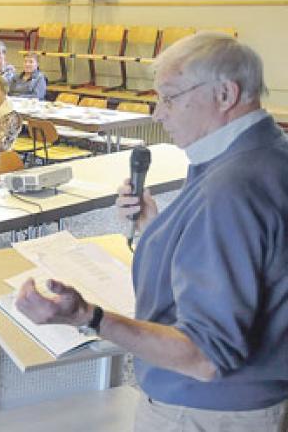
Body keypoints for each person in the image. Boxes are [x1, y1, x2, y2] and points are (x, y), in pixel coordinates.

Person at [15, 32, 288, 430]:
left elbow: (204, 356)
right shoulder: (265, 154)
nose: (159, 114)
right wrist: (157, 225)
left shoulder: (230, 188)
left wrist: (88, 317)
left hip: (208, 411)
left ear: (226, 94)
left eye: (171, 97)